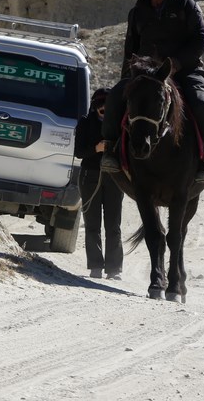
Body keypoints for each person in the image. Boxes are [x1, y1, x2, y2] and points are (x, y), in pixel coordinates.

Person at [100, 0, 204, 183]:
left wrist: (176, 63)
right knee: (114, 97)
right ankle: (110, 150)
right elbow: (131, 49)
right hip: (146, 75)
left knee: (201, 104)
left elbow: (200, 41)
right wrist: (128, 79)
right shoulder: (137, 13)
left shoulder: (186, 5)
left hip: (185, 71)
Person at [74, 87, 124, 280]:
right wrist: (96, 148)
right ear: (95, 107)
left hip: (114, 177)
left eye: (107, 108)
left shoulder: (120, 124)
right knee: (92, 224)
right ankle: (95, 266)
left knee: (113, 225)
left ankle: (114, 269)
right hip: (90, 176)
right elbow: (79, 152)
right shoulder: (85, 123)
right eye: (100, 108)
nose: (103, 111)